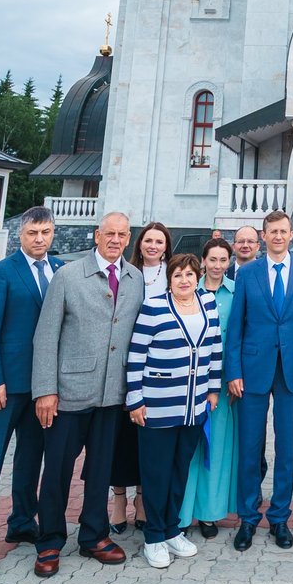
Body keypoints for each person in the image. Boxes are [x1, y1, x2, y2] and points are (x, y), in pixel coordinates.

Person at [29, 211, 143, 575]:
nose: (115, 240)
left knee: (100, 471)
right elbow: (45, 336)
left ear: (128, 238)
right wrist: (45, 390)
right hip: (69, 391)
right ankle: (49, 541)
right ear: (97, 235)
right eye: (109, 233)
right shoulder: (67, 275)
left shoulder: (135, 277)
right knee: (58, 470)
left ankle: (94, 535)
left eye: (122, 234)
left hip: (113, 394)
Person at [0, 208, 58, 574]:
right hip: (5, 387)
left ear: (53, 233)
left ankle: (21, 521)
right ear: (21, 233)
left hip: (43, 387)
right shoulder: (0, 272)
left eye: (45, 232)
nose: (39, 239)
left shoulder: (61, 269)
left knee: (30, 460)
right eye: (33, 232)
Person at [225, 208, 293, 551]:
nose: (278, 237)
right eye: (273, 232)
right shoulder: (248, 273)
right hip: (252, 370)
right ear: (263, 237)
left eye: (284, 231)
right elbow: (236, 325)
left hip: (292, 370)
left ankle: (279, 517)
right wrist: (233, 371)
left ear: (291, 234)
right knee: (249, 446)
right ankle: (248, 518)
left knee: (287, 446)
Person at [126, 253, 224, 569]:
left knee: (180, 469)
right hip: (157, 406)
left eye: (190, 274)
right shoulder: (154, 306)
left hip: (193, 407)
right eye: (178, 274)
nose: (184, 280)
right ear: (170, 278)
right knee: (156, 473)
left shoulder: (208, 303)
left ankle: (171, 529)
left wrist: (213, 388)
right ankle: (153, 537)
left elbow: (215, 348)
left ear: (198, 277)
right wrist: (135, 399)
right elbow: (136, 354)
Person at [107, 220, 171, 533]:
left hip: (159, 368)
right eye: (148, 241)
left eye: (159, 241)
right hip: (125, 363)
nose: (153, 246)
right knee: (121, 434)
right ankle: (119, 498)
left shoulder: (173, 274)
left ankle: (143, 498)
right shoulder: (127, 272)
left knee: (149, 434)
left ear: (166, 246)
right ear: (139, 244)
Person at [179, 238, 238, 538]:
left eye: (222, 260)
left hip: (222, 384)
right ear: (203, 261)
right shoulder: (189, 288)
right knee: (188, 449)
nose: (217, 266)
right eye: (212, 259)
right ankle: (182, 512)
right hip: (189, 382)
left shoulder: (235, 294)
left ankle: (209, 514)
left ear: (229, 262)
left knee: (215, 449)